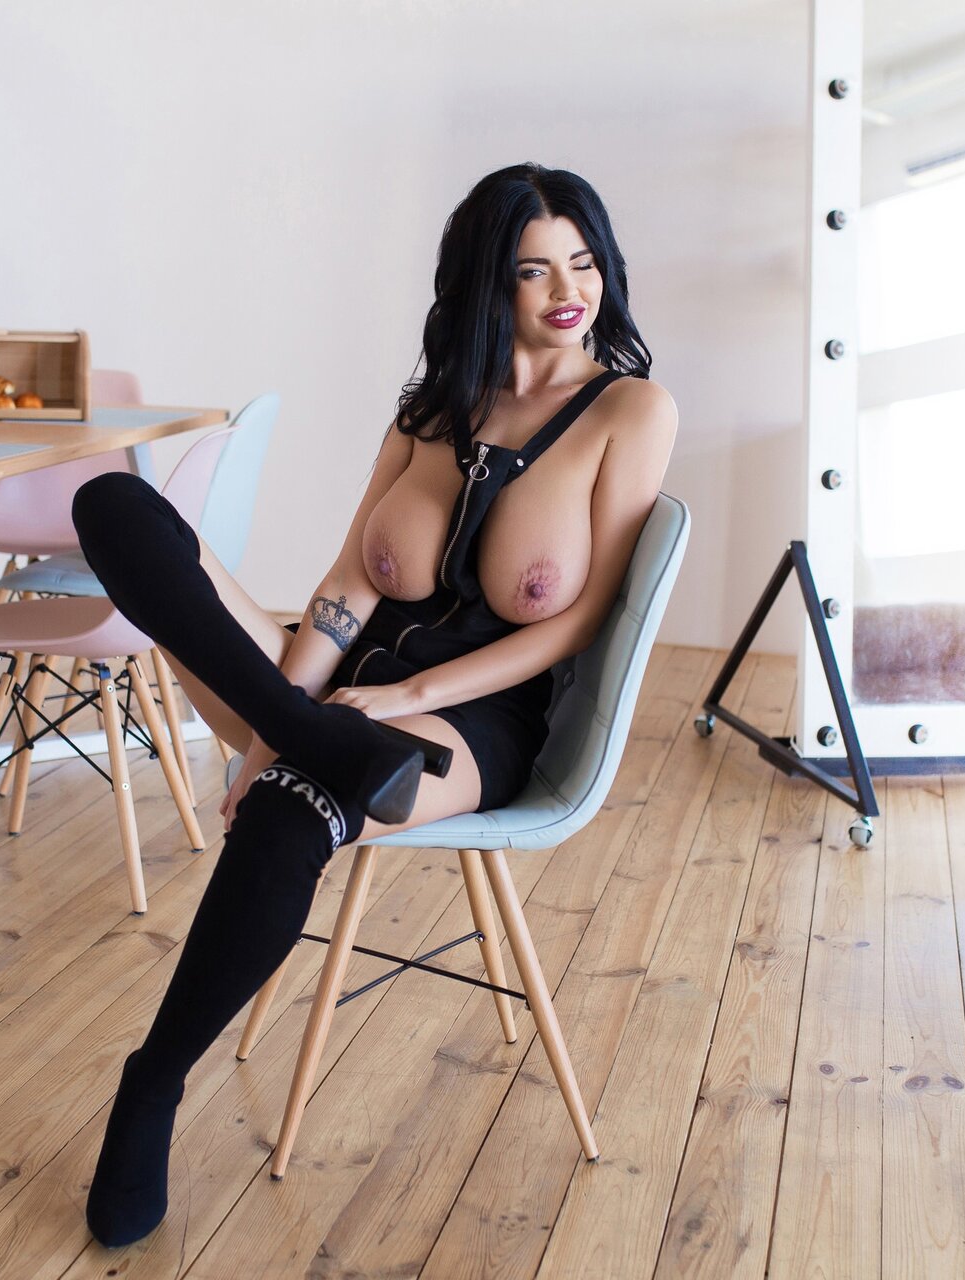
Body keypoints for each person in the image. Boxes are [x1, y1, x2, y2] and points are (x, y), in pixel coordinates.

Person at [70, 160, 678, 1247]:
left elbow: (578, 621)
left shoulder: (630, 410)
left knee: (292, 806)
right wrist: (283, 720)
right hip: (326, 696)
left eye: (582, 263)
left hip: (470, 719)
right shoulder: (433, 407)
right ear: (485, 282)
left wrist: (405, 695)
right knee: (114, 501)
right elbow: (351, 581)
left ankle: (152, 1081)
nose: (566, 291)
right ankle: (304, 737)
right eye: (533, 270)